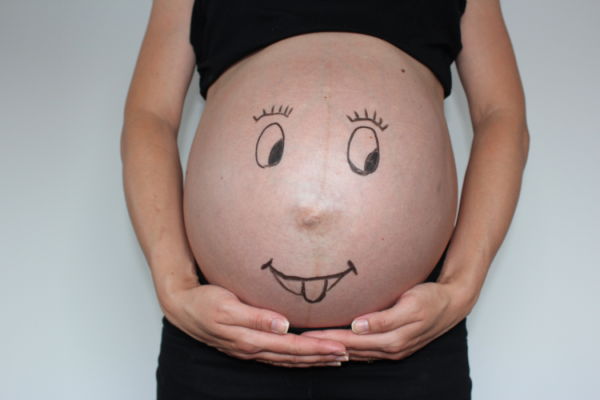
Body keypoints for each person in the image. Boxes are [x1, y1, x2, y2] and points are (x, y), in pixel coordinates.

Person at [120, 0, 529, 398]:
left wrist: (460, 286)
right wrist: (175, 284)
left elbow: (499, 115)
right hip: (221, 336)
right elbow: (152, 115)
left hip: (407, 339)